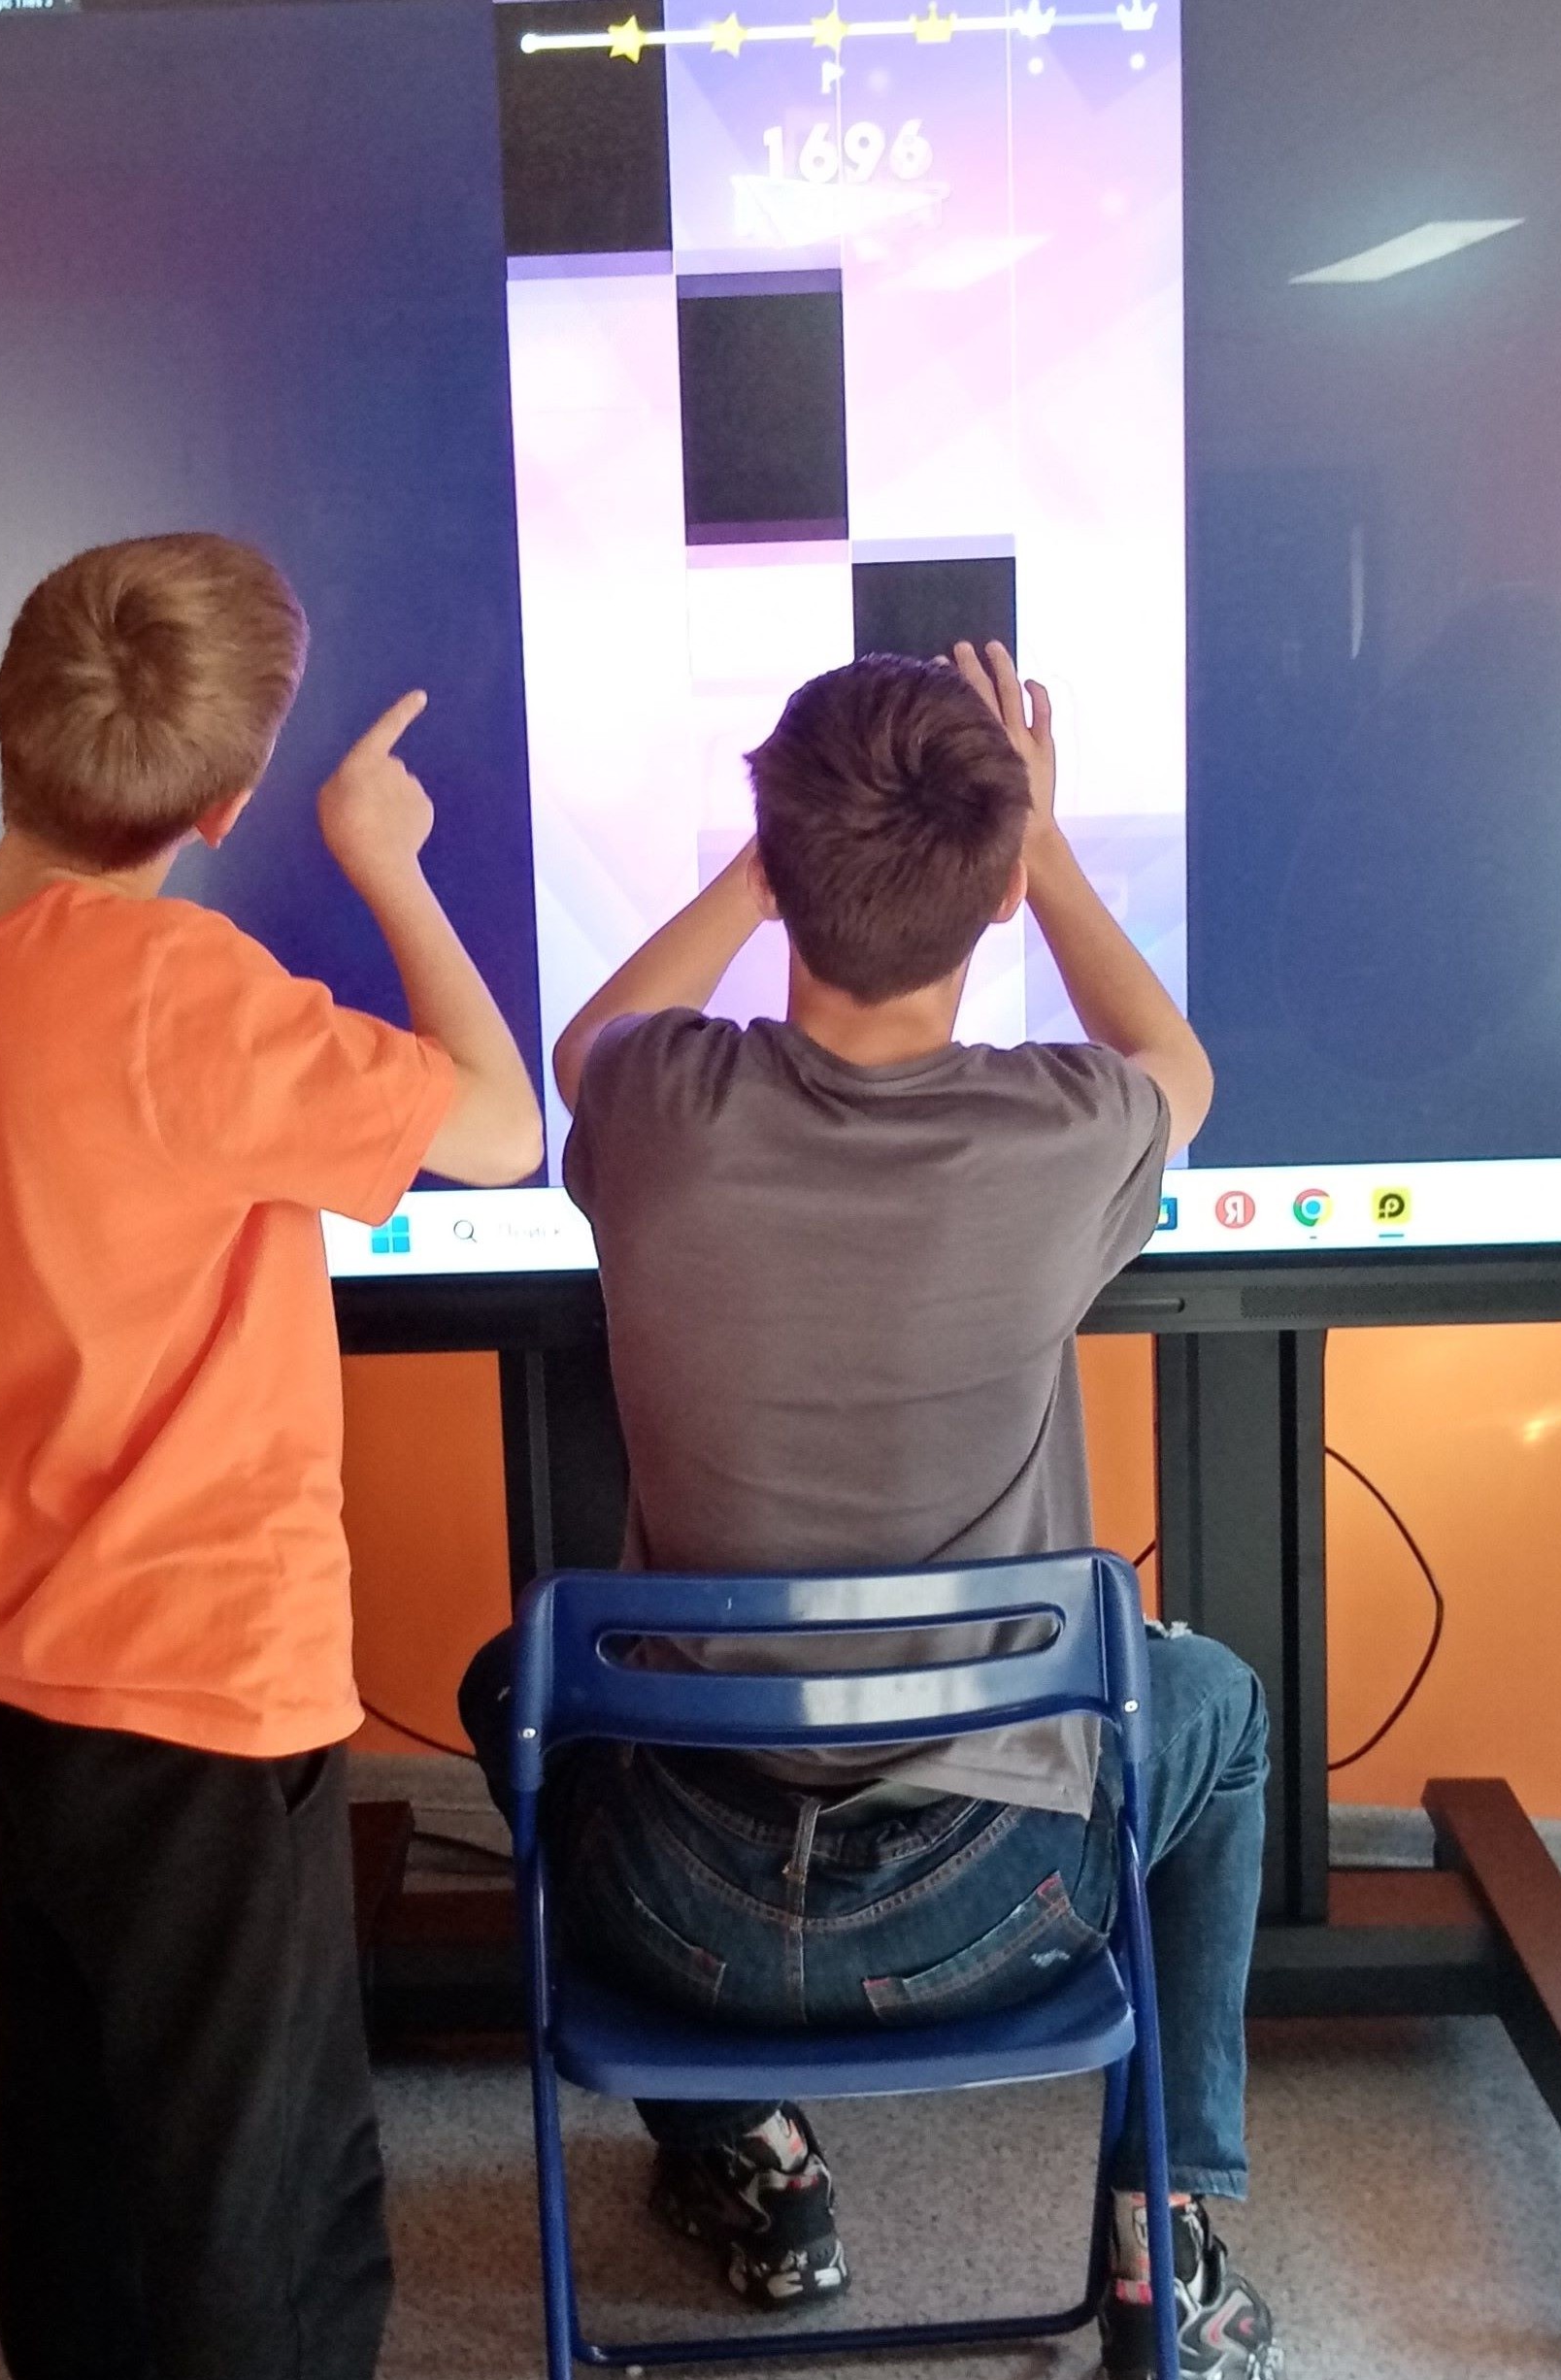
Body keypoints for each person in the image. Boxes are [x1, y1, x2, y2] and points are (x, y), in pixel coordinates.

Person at [457, 643, 1283, 2380]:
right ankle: (1162, 2239)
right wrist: (1043, 852)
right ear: (993, 888)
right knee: (1214, 1704)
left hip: (672, 1912)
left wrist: (764, 866)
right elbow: (1176, 1062)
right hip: (992, 1908)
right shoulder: (1067, 1128)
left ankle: (752, 2167)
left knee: (504, 1681)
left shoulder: (661, 1105)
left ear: (772, 861)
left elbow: (581, 1039)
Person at [0, 532, 543, 2380]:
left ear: (10, 719)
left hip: (36, 1656)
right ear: (224, 803)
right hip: (211, 1676)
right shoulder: (171, 990)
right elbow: (497, 1127)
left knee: (77, 2130)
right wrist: (383, 859)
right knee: (262, 2182)